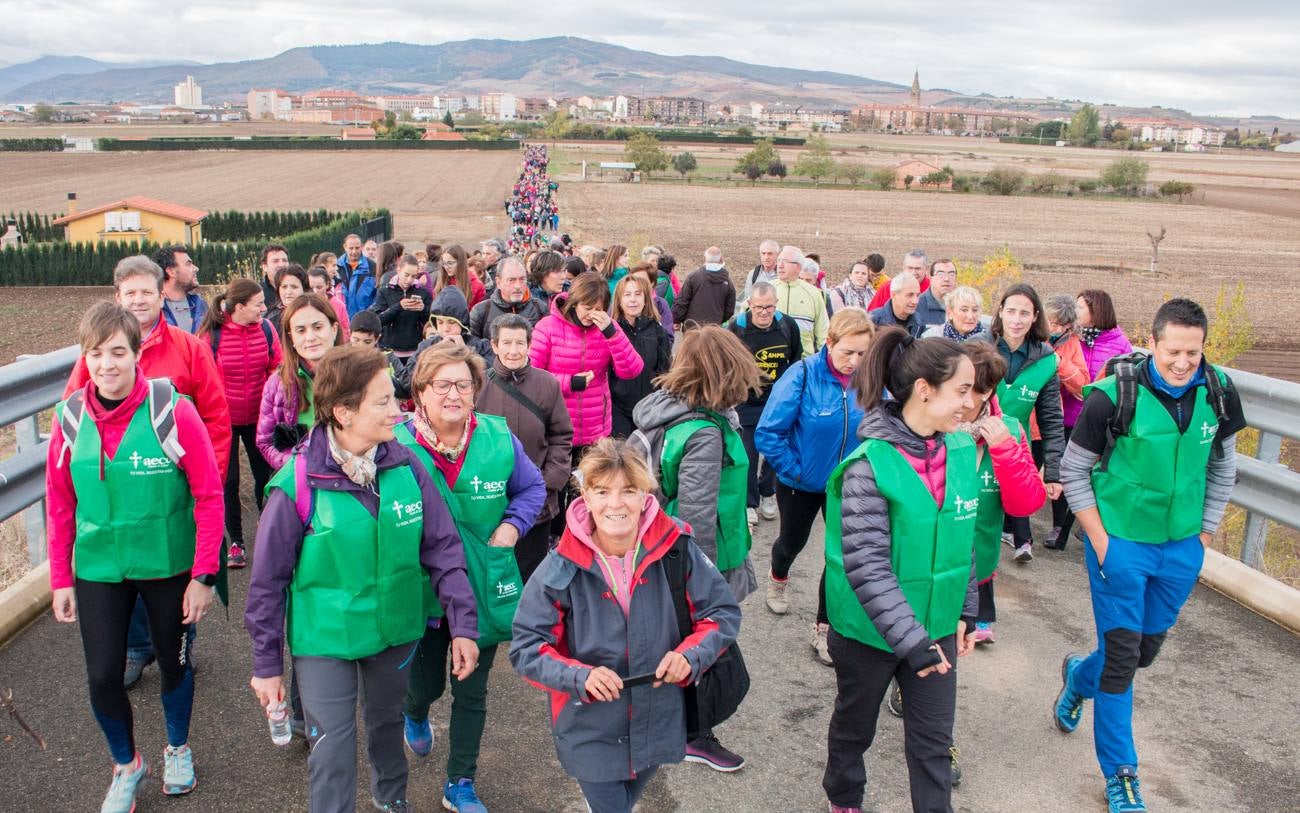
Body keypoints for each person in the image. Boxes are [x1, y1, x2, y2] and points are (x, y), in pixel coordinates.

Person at [246, 345, 479, 813]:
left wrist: (465, 625)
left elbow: (442, 547)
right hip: (324, 639)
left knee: (386, 727)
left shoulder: (407, 466)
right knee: (331, 747)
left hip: (394, 630)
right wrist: (266, 664)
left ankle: (391, 801)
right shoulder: (296, 485)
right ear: (343, 412)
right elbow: (266, 584)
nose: (399, 410)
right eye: (383, 401)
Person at [1053, 299, 1246, 813]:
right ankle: (1122, 775)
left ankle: (1077, 677)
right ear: (1153, 343)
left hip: (1182, 547)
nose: (1183, 362)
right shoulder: (1114, 396)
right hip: (1120, 545)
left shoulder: (1220, 392)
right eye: (1173, 351)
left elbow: (1223, 468)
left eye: (1193, 351)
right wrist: (1101, 541)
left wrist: (1204, 536)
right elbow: (1074, 472)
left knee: (1143, 652)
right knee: (1121, 660)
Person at [48, 302, 222, 811]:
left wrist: (204, 576)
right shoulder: (70, 418)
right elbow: (60, 503)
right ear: (85, 359)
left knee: (173, 661)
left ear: (136, 353)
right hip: (101, 566)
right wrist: (62, 578)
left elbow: (209, 495)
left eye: (118, 352)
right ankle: (127, 764)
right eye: (96, 354)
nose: (107, 365)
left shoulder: (172, 411)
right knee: (102, 674)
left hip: (168, 566)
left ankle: (177, 747)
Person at [509, 438, 742, 813]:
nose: (615, 504)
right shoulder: (559, 567)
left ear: (646, 494)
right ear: (584, 495)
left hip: (661, 714)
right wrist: (579, 677)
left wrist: (690, 656)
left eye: (628, 491)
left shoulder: (678, 548)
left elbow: (721, 613)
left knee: (626, 797)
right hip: (589, 724)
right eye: (602, 492)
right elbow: (526, 648)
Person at [820, 328, 979, 813]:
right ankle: (844, 798)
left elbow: (963, 534)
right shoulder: (870, 465)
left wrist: (966, 609)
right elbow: (866, 565)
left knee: (933, 745)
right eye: (963, 391)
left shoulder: (960, 451)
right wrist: (913, 643)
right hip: (870, 634)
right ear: (924, 389)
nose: (970, 405)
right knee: (855, 727)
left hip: (934, 628)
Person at [63, 256, 232, 689]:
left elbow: (214, 417)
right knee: (127, 576)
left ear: (163, 294)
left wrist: (204, 480)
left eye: (146, 292)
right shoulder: (99, 353)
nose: (138, 300)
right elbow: (75, 417)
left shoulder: (188, 349)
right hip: (121, 488)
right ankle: (138, 648)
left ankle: (178, 644)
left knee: (173, 581)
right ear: (117, 298)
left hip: (178, 490)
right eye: (129, 293)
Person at [392, 343, 546, 812]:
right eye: (442, 384)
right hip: (421, 593)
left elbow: (533, 486)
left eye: (464, 384)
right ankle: (414, 712)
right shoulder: (397, 445)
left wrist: (510, 527)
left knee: (471, 691)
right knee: (426, 685)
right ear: (420, 391)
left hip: (482, 585)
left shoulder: (498, 438)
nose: (454, 394)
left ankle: (460, 781)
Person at [630, 325, 761, 772]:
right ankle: (692, 734)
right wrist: (702, 586)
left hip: (666, 551)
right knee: (700, 646)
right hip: (697, 561)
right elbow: (697, 515)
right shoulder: (704, 432)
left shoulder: (672, 412)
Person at [756, 309, 874, 665]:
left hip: (850, 484)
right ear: (829, 343)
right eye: (847, 353)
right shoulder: (802, 376)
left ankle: (824, 627)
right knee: (792, 542)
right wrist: (796, 470)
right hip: (800, 483)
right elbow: (768, 433)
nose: (855, 362)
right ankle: (778, 574)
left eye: (863, 354)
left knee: (837, 556)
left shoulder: (872, 379)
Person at [956, 341, 1046, 644]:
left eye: (980, 391)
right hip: (925, 563)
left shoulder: (1008, 430)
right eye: (962, 389)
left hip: (977, 564)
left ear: (992, 390)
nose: (968, 402)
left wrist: (1005, 452)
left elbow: (1026, 504)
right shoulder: (931, 422)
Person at [476, 314, 574, 581]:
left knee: (531, 575)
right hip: (487, 501)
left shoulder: (547, 384)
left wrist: (548, 482)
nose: (513, 350)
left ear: (529, 345)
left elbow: (561, 436)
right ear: (494, 346)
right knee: (491, 574)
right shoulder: (478, 384)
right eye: (506, 343)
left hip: (538, 502)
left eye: (520, 343)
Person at [196, 278, 282, 568]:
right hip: (223, 421)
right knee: (228, 480)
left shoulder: (267, 330)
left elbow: (276, 367)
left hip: (259, 416)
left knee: (266, 477)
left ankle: (268, 530)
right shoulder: (212, 336)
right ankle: (236, 542)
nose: (264, 309)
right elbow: (203, 378)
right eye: (258, 305)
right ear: (240, 307)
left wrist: (272, 402)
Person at [990, 284, 1066, 562]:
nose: (1016, 319)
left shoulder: (1045, 361)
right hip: (973, 444)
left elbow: (1051, 420)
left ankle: (1023, 543)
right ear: (1000, 312)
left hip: (1014, 448)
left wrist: (1054, 472)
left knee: (1016, 498)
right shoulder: (978, 348)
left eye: (1024, 313)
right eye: (1011, 311)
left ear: (1035, 317)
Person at [530, 271, 644, 454]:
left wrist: (611, 334)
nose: (592, 315)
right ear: (574, 303)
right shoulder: (547, 327)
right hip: (558, 427)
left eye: (598, 309)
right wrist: (570, 382)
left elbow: (632, 370)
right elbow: (531, 377)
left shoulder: (608, 327)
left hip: (596, 429)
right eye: (587, 307)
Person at [725, 281, 802, 524]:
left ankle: (768, 491)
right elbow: (726, 364)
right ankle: (750, 502)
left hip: (777, 400)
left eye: (769, 307)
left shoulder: (788, 326)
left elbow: (795, 361)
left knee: (774, 451)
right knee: (748, 452)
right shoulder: (736, 328)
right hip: (745, 400)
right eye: (759, 307)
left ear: (776, 304)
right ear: (749, 305)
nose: (764, 312)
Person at [256, 294, 342, 472]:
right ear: (291, 337)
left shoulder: (360, 377)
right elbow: (265, 442)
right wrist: (299, 467)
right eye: (300, 330)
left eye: (317, 327)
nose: (310, 337)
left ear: (333, 329)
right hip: (301, 483)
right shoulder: (277, 384)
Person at [1040, 294, 1090, 550]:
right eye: (1051, 322)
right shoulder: (1032, 337)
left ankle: (1059, 527)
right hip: (1027, 418)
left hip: (1051, 419)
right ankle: (1011, 526)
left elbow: (1082, 385)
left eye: (1061, 325)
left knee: (1057, 472)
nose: (1055, 329)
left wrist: (1060, 363)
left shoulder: (1071, 345)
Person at [610, 274, 673, 438]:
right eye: (627, 295)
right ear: (619, 300)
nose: (633, 300)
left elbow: (664, 372)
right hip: (618, 411)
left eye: (638, 294)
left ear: (646, 299)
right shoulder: (611, 332)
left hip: (649, 410)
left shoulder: (657, 331)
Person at [372, 255, 433, 360]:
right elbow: (378, 320)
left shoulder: (423, 292)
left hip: (415, 350)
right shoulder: (384, 291)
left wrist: (423, 309)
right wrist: (399, 306)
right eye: (406, 275)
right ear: (398, 270)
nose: (409, 280)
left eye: (414, 276)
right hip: (389, 350)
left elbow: (431, 322)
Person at [469, 256, 547, 339]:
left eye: (522, 279)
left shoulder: (540, 308)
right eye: (511, 280)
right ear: (498, 282)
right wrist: (498, 349)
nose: (518, 286)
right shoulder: (481, 311)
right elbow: (472, 344)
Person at [773, 245, 829, 357]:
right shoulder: (767, 288)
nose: (780, 265)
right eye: (779, 260)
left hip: (803, 363)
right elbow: (744, 317)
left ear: (798, 267)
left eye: (786, 261)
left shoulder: (813, 293)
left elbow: (823, 332)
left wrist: (825, 362)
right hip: (771, 363)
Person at [1077, 289, 1135, 383]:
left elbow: (1126, 381)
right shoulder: (1070, 338)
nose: (1074, 311)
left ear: (1095, 311)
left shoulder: (1121, 344)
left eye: (1079, 308)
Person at [672, 246, 736, 327]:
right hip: (714, 329)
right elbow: (729, 310)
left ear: (705, 258)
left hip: (693, 328)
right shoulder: (728, 282)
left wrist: (677, 320)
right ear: (720, 259)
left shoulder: (693, 277)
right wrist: (718, 320)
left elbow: (683, 302)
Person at [156, 245, 207, 334]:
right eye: (188, 264)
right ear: (171, 271)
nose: (196, 269)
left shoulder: (201, 305)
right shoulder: (154, 310)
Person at [921, 286, 992, 342]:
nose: (970, 316)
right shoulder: (932, 338)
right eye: (964, 310)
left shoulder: (991, 337)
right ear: (950, 313)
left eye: (975, 310)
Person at [868, 273, 923, 337]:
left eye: (917, 295)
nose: (915, 301)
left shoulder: (918, 321)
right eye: (910, 295)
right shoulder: (874, 320)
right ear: (893, 295)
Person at [308, 266, 351, 342]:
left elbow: (345, 332)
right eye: (311, 288)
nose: (315, 291)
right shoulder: (304, 306)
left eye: (319, 287)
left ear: (327, 284)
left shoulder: (338, 305)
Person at [437, 244, 488, 309]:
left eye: (450, 263)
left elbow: (480, 314)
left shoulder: (477, 285)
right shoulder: (442, 281)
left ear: (460, 262)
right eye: (444, 263)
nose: (446, 267)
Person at [265, 264, 309, 338]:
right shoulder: (272, 319)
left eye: (294, 287)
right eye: (284, 287)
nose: (288, 292)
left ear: (304, 289)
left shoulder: (314, 312)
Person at [914, 259, 958, 328]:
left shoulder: (963, 305)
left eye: (951, 274)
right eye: (940, 274)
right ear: (931, 278)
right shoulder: (916, 306)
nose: (946, 279)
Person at [739, 238, 780, 306]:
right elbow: (748, 299)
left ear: (777, 255)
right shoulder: (753, 274)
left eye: (770, 254)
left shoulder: (782, 275)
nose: (766, 257)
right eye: (763, 253)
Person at [259, 243, 290, 312]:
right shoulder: (258, 292)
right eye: (275, 261)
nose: (281, 264)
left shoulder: (301, 287)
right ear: (264, 267)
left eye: (284, 260)